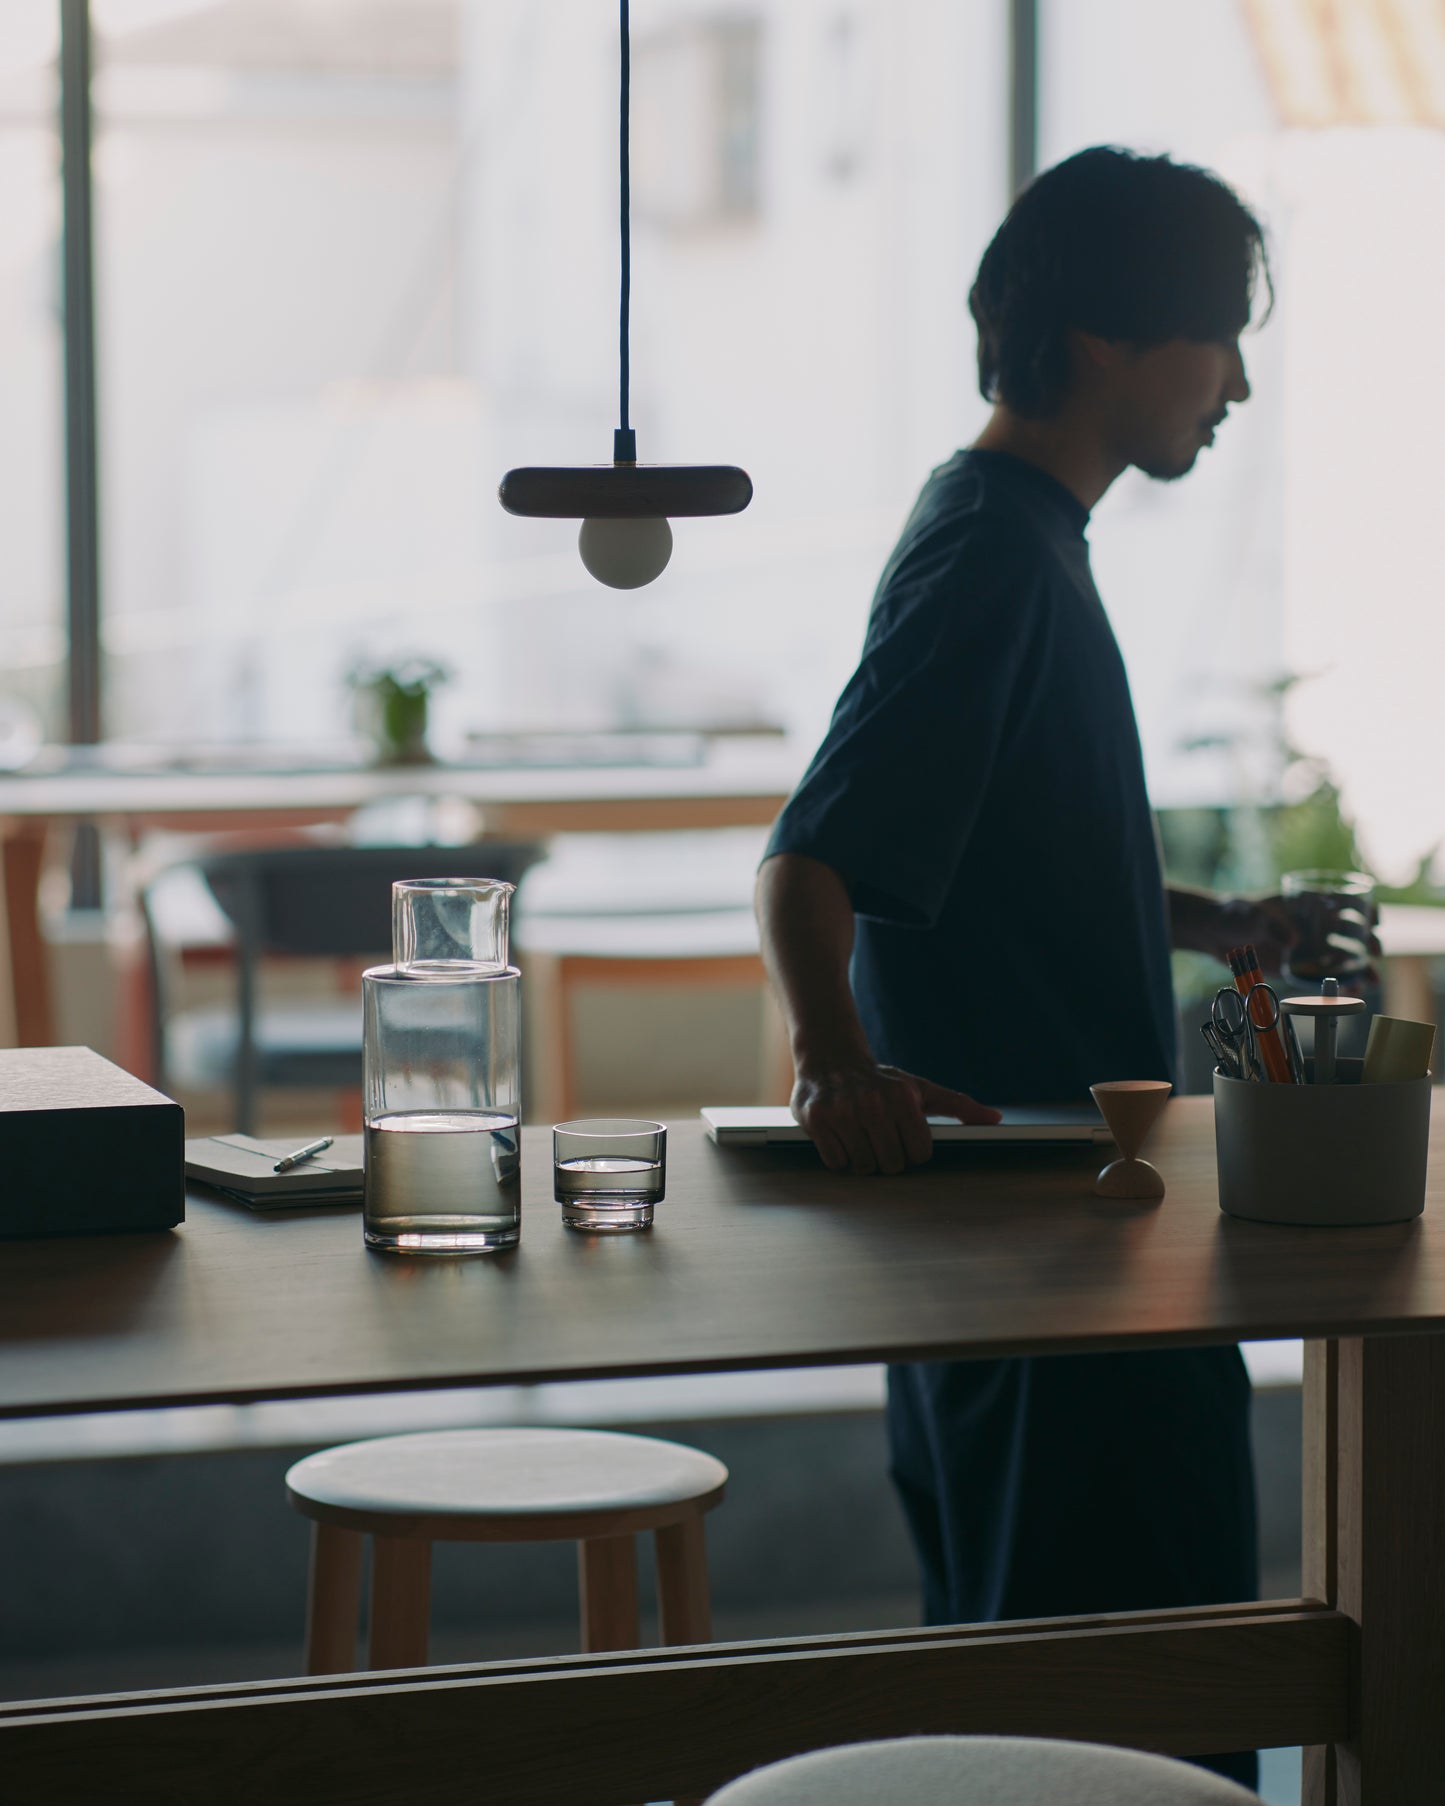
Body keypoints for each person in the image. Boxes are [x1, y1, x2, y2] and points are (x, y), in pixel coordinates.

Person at [755, 147, 1303, 1791]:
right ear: (1102, 342)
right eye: (1213, 332)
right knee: (1106, 1722)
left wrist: (1210, 924)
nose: (1235, 380)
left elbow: (1009, 840)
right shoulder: (993, 554)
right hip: (1042, 1263)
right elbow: (813, 856)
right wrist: (833, 1059)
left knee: (1069, 1694)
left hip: (1056, 1249)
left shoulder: (1010, 528)